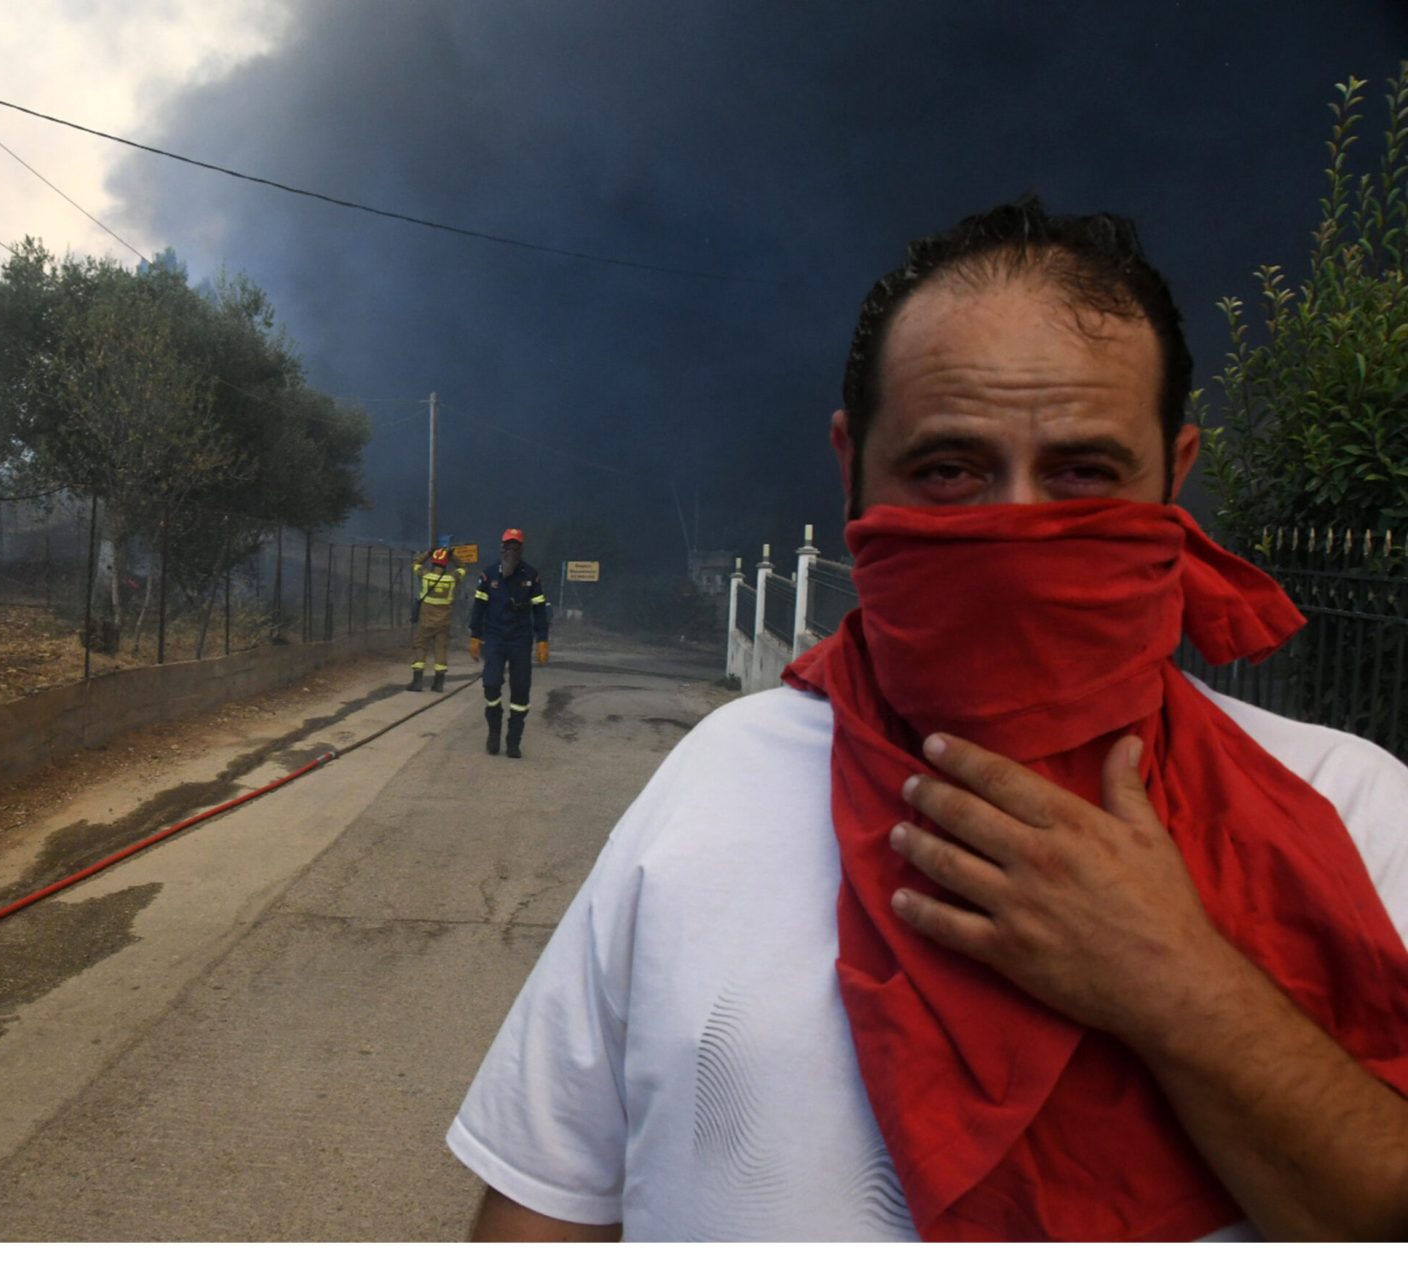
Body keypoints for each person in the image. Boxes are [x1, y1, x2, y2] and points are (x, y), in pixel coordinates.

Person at [446, 198, 1408, 1241]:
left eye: (1083, 473)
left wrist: (1178, 987)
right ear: (850, 461)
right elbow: (546, 1205)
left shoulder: (1352, 812)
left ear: (1172, 476)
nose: (1014, 529)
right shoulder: (715, 777)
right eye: (948, 470)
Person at [468, 529, 552, 758]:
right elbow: (479, 608)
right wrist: (475, 635)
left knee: (521, 689)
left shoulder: (531, 576)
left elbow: (539, 610)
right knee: (491, 684)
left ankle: (513, 741)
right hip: (494, 637)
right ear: (501, 547)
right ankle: (493, 733)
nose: (511, 550)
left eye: (516, 545)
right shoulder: (488, 576)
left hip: (520, 639)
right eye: (508, 545)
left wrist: (542, 639)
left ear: (521, 549)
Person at [410, 545, 468, 692]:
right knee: (441, 648)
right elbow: (462, 568)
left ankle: (417, 682)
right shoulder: (452, 579)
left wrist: (427, 553)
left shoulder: (425, 576)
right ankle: (439, 683)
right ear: (445, 563)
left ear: (433, 561)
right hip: (443, 622)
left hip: (425, 620)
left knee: (420, 646)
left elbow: (416, 564)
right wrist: (452, 556)